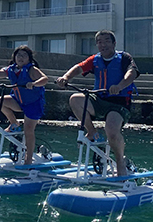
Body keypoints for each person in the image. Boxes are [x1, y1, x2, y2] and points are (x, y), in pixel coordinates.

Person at [56, 30, 139, 176]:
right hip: (99, 100)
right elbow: (79, 67)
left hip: (118, 103)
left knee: (112, 133)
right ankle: (93, 133)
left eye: (106, 41)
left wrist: (120, 86)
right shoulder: (95, 59)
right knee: (75, 99)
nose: (103, 44)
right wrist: (66, 77)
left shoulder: (124, 58)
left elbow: (131, 73)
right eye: (99, 42)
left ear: (114, 43)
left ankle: (120, 162)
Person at [0, 45, 49, 165]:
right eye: (18, 55)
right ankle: (14, 123)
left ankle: (28, 159)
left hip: (33, 104)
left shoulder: (32, 70)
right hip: (19, 101)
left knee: (28, 130)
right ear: (14, 58)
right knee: (1, 101)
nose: (21, 58)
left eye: (24, 56)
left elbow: (45, 79)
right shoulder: (11, 69)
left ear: (29, 59)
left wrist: (34, 83)